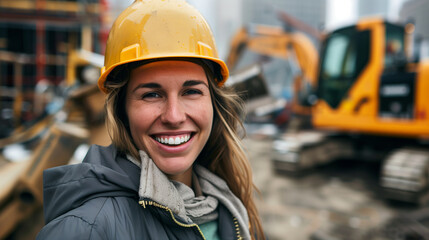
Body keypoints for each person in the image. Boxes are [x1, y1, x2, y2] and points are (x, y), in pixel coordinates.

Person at [37, 0, 265, 239]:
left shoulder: (229, 208)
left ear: (213, 103)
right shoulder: (86, 230)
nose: (174, 116)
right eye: (152, 94)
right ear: (121, 111)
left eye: (191, 91)